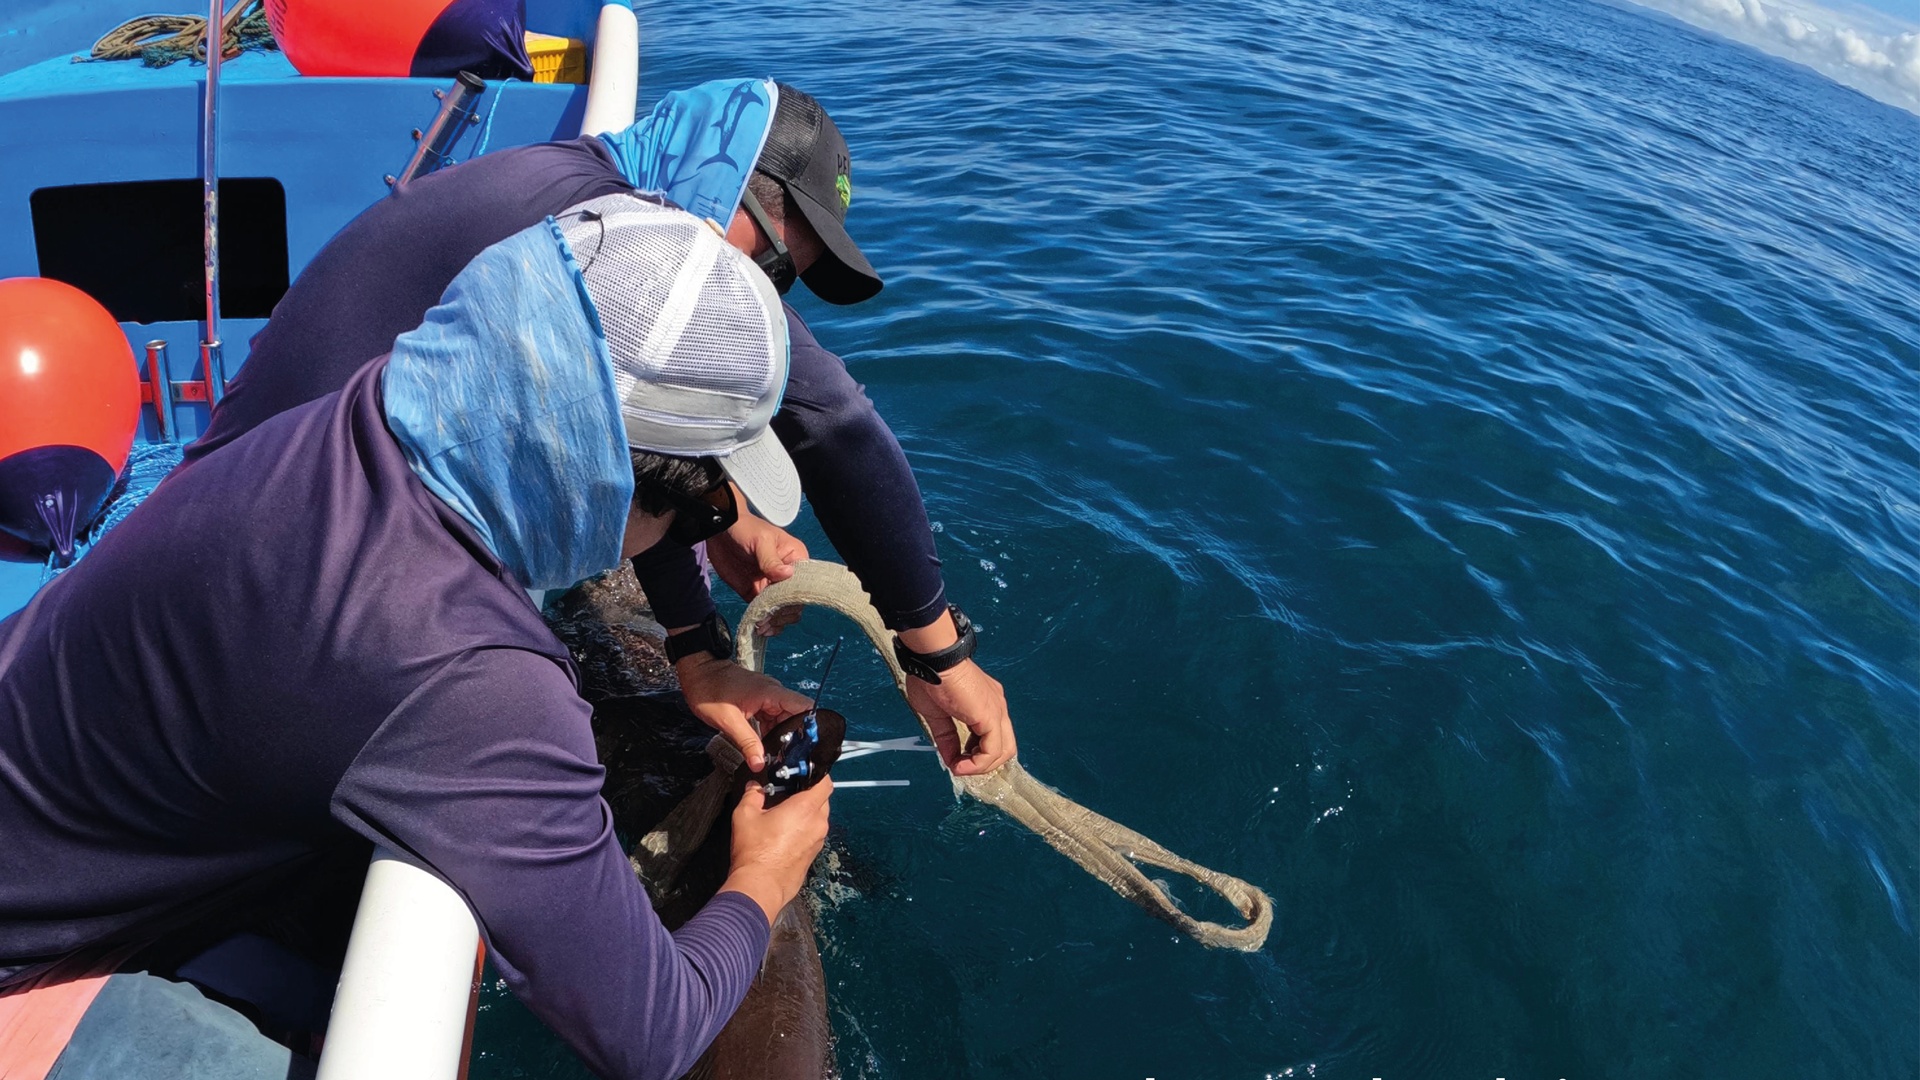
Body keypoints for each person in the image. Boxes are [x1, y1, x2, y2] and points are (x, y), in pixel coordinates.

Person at [0, 200, 828, 1080]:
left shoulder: (373, 406)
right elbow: (652, 1033)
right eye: (701, 511)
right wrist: (763, 878)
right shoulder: (473, 679)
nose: (694, 534)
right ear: (610, 479)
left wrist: (695, 649)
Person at [186, 79, 1016, 779]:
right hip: (258, 591)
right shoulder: (608, 236)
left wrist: (700, 623)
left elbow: (618, 444)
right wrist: (940, 656)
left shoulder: (565, 196)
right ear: (719, 181)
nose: (761, 295)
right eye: (769, 264)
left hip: (266, 513)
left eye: (781, 284)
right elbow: (837, 424)